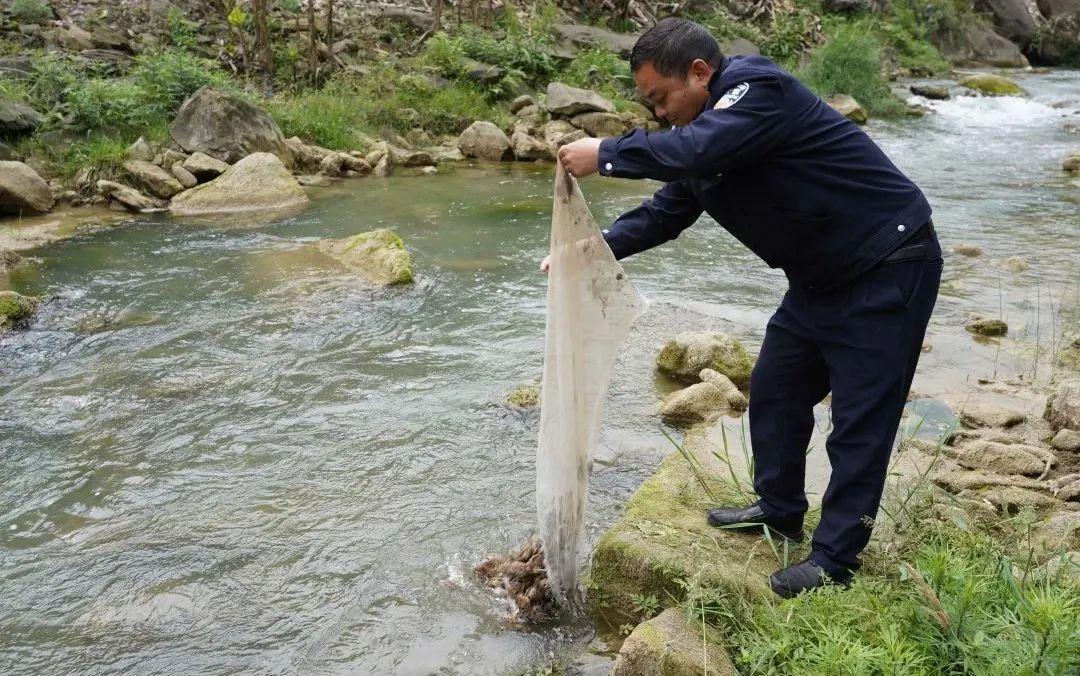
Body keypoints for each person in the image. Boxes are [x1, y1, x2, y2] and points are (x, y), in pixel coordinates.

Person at [548, 17, 942, 598]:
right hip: (818, 279)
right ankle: (779, 508)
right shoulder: (706, 135)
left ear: (700, 73)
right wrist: (589, 250)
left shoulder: (758, 92)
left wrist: (606, 153)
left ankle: (835, 560)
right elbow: (666, 212)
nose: (658, 113)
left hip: (888, 263)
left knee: (860, 421)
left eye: (661, 98)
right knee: (777, 394)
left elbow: (698, 147)